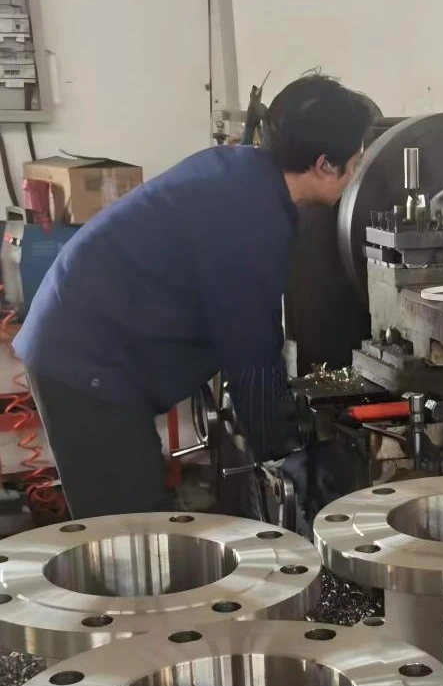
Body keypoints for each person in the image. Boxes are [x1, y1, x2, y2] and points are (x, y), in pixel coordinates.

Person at [14, 73, 376, 518]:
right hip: (84, 361)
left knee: (141, 522)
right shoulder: (252, 217)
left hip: (87, 344)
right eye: (354, 164)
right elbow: (251, 352)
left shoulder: (243, 172)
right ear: (324, 164)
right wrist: (286, 453)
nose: (354, 176)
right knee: (131, 532)